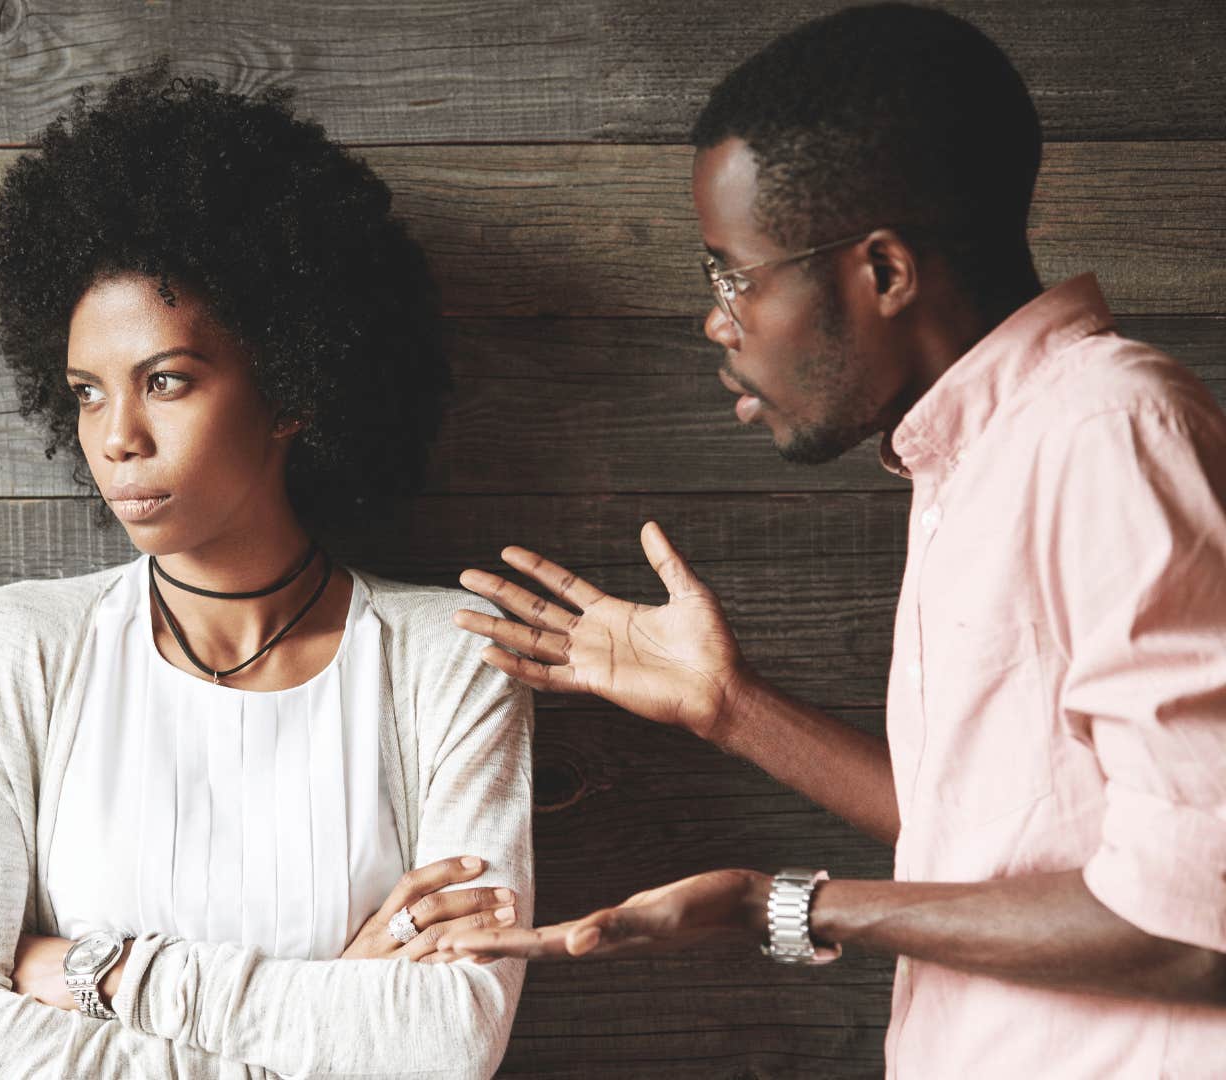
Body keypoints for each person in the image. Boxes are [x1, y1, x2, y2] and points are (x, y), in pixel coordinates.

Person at [439, 5, 1226, 1076]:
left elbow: (1191, 918)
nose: (718, 321)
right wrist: (732, 710)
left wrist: (790, 907)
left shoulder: (1106, 435)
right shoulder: (984, 454)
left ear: (886, 272)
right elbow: (1001, 835)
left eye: (735, 275)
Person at [0, 66, 533, 1079]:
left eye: (166, 382)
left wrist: (100, 973)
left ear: (292, 387)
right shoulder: (25, 648)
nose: (117, 438)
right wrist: (334, 1006)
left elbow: (445, 1045)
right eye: (87, 393)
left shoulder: (449, 658)